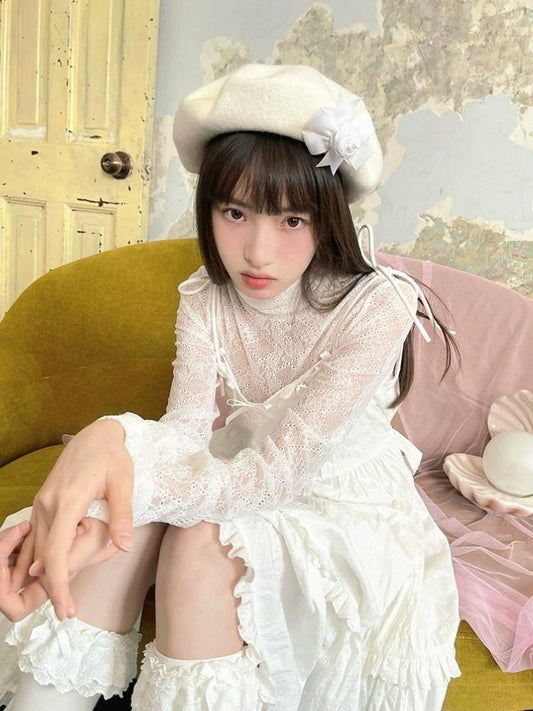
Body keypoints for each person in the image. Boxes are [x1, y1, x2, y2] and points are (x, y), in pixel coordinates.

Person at [0, 63, 460, 710]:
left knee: (192, 542)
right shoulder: (205, 297)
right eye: (235, 212)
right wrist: (108, 464)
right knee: (119, 524)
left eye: (292, 220)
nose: (257, 253)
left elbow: (276, 474)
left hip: (334, 501)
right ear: (209, 207)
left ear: (327, 216)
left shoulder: (375, 306)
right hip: (236, 467)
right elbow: (186, 433)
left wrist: (107, 461)